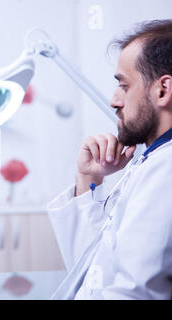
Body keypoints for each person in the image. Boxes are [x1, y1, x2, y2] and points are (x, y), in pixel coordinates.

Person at [47, 20, 172, 299]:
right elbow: (92, 272)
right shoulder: (152, 160)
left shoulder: (166, 169)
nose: (114, 100)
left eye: (124, 86)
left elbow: (135, 294)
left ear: (163, 90)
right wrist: (88, 179)